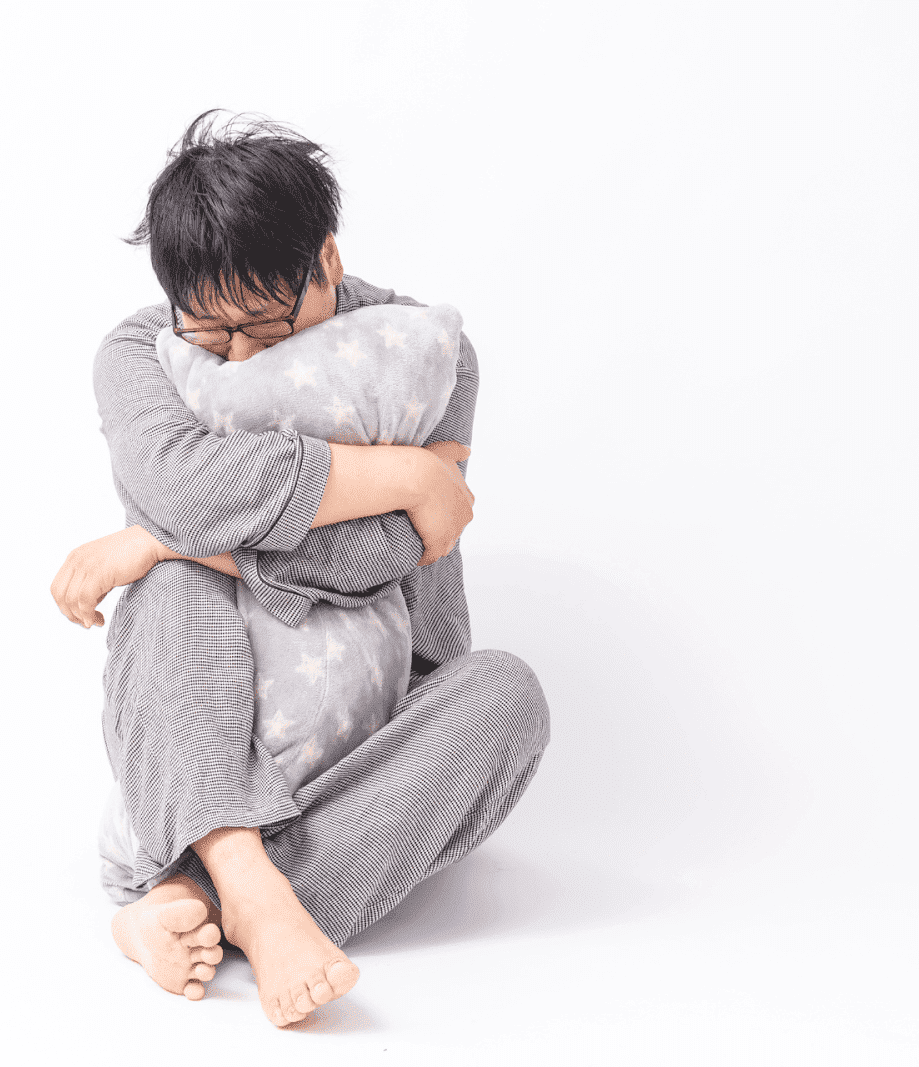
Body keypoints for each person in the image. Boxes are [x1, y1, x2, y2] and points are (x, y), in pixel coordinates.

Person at [49, 111, 551, 1029]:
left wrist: (154, 534)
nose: (238, 358)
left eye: (261, 326)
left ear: (324, 264)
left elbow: (398, 548)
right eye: (210, 333)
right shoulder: (137, 352)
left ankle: (183, 894)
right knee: (172, 586)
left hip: (385, 718)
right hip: (199, 701)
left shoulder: (426, 351)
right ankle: (251, 888)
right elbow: (188, 494)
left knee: (509, 693)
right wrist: (403, 472)